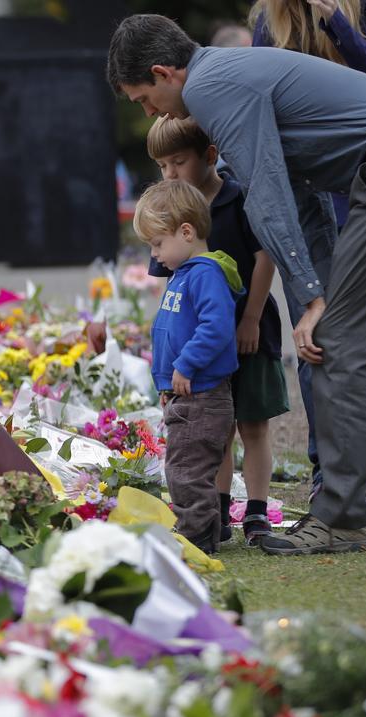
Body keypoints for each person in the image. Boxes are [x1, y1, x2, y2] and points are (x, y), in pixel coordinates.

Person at [107, 14, 366, 555]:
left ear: (163, 71)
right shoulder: (229, 73)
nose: (149, 112)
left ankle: (350, 517)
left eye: (143, 98)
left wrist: (313, 301)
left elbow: (264, 193)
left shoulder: (212, 87)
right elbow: (300, 195)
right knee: (354, 342)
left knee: (341, 343)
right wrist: (319, 292)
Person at [251, 0, 366, 502]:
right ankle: (329, 473)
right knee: (314, 343)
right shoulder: (268, 18)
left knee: (363, 348)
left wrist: (338, 25)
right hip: (306, 203)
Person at [146, 116, 289, 546]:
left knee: (254, 424)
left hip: (249, 329)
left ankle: (258, 512)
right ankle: (219, 510)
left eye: (178, 161)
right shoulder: (170, 214)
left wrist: (249, 319)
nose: (171, 173)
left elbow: (266, 258)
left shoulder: (237, 199)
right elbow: (170, 290)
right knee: (216, 431)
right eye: (162, 165)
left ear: (209, 156)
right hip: (203, 349)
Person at [135, 179, 241, 554]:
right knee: (183, 465)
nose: (155, 253)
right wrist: (166, 382)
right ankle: (202, 531)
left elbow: (216, 327)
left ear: (186, 231)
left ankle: (196, 536)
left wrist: (186, 365)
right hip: (185, 393)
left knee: (187, 469)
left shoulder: (205, 273)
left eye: (158, 244)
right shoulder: (183, 273)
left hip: (203, 394)